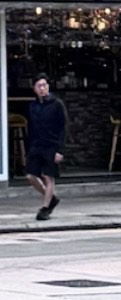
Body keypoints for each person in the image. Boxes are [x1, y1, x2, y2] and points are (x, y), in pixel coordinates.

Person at [25, 75, 66, 222]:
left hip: (52, 145)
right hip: (36, 144)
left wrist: (60, 150)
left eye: (44, 85)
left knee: (48, 176)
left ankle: (45, 208)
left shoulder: (57, 104)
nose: (42, 88)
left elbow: (63, 128)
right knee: (31, 176)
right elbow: (31, 127)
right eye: (39, 86)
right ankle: (51, 198)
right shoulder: (33, 106)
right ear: (34, 89)